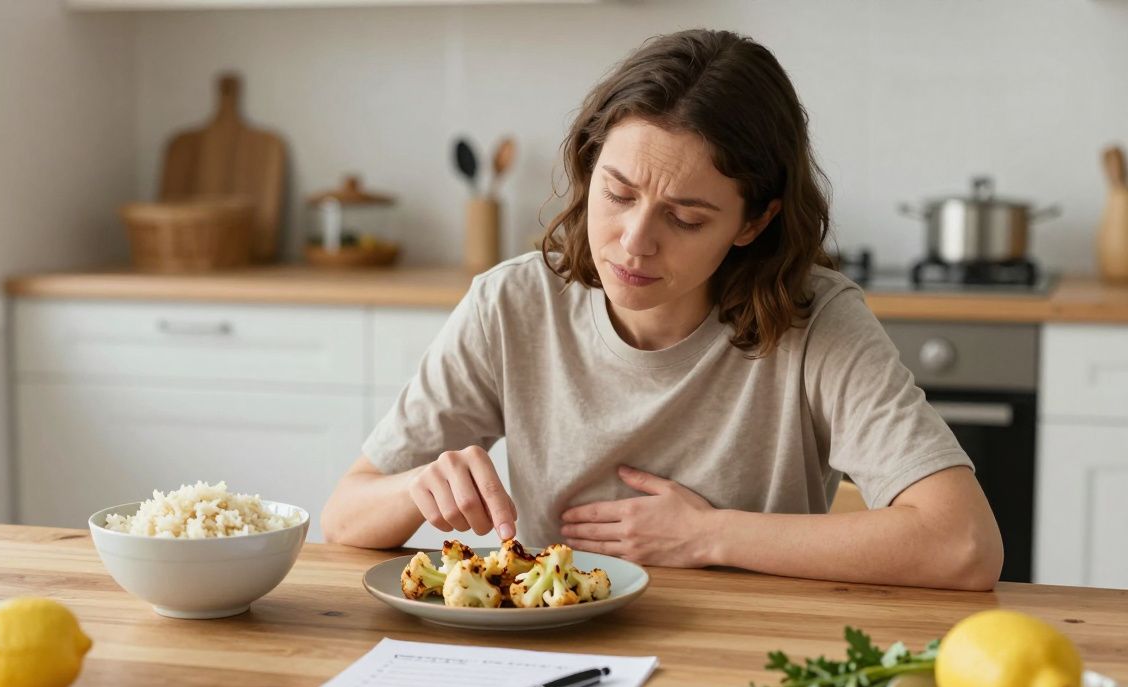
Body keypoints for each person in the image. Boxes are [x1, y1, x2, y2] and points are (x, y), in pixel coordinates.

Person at [321, 29, 1003, 591]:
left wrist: (710, 535)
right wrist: (420, 486)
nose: (634, 242)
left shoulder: (816, 322)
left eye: (685, 217)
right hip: (546, 659)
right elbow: (345, 516)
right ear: (591, 166)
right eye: (617, 194)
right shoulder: (513, 304)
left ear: (753, 222)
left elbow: (964, 543)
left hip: (750, 655)